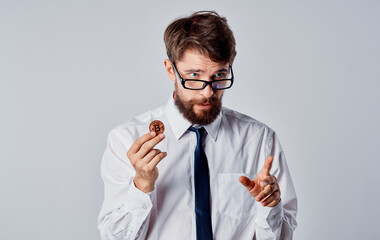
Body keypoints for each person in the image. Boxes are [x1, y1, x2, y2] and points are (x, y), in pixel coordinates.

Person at [98, 11, 297, 240]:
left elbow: (283, 237)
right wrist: (142, 185)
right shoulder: (126, 139)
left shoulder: (260, 139)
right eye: (194, 75)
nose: (208, 92)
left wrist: (270, 207)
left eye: (219, 75)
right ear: (171, 70)